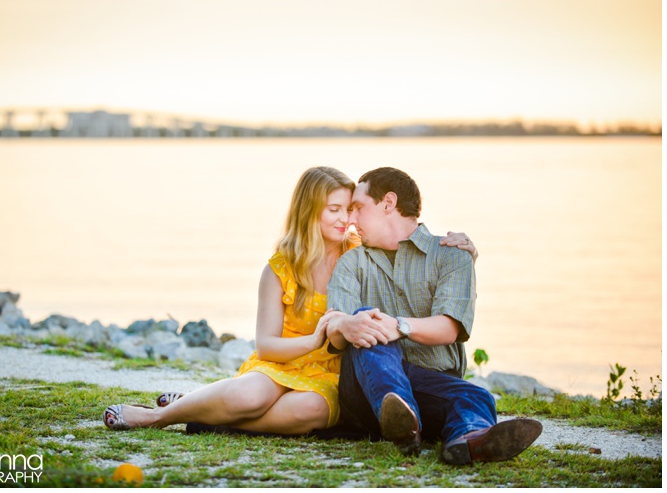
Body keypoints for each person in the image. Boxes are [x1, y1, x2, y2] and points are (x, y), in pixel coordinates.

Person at [102, 166, 477, 435]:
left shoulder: (360, 251)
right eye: (336, 210)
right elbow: (266, 345)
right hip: (284, 360)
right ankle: (156, 417)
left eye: (350, 209)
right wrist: (317, 338)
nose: (348, 219)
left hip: (331, 372)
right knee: (250, 396)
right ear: (308, 212)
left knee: (308, 408)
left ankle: (207, 415)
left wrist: (467, 253)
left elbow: (407, 248)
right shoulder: (281, 269)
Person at [323, 167, 542, 465]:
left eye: (358, 208)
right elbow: (338, 325)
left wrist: (398, 326)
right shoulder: (352, 262)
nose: (351, 220)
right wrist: (347, 323)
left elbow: (449, 327)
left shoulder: (452, 255)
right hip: (365, 391)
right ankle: (400, 414)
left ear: (388, 203)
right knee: (366, 320)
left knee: (477, 397)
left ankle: (467, 442)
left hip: (432, 386)